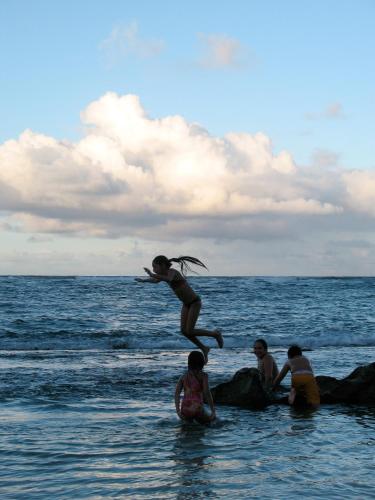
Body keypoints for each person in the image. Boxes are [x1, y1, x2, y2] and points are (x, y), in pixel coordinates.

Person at [135, 255, 223, 362]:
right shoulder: (162, 275)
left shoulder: (172, 272)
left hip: (195, 302)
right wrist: (143, 280)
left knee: (190, 330)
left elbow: (168, 279)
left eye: (155, 267)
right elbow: (154, 280)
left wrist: (152, 274)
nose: (154, 269)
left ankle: (215, 334)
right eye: (153, 268)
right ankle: (204, 348)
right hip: (186, 304)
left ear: (162, 265)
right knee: (184, 331)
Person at [175, 350, 216, 423]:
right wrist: (213, 411)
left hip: (185, 409)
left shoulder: (183, 377)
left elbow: (177, 394)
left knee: (187, 429)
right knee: (211, 423)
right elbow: (207, 393)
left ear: (189, 362)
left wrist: (178, 411)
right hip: (198, 408)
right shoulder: (203, 376)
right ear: (202, 363)